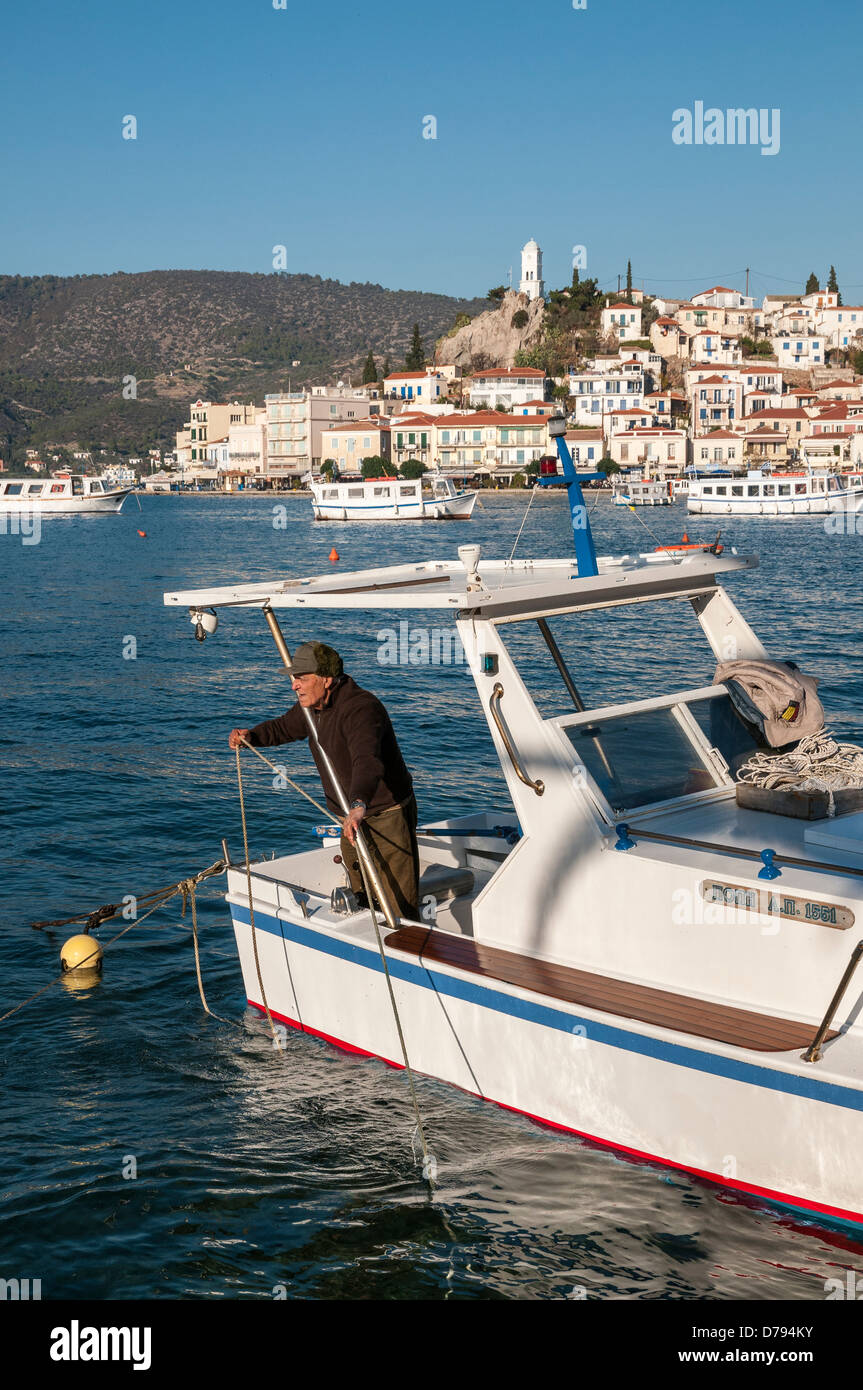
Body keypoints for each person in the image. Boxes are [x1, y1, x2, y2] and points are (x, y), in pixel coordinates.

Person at [229, 641, 420, 921]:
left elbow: (367, 761)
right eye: (295, 679)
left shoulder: (361, 709)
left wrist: (358, 805)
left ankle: (405, 948)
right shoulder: (312, 707)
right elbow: (284, 728)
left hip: (383, 815)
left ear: (327, 679)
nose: (295, 686)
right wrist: (251, 737)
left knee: (397, 902)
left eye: (302, 678)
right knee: (362, 893)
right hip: (350, 816)